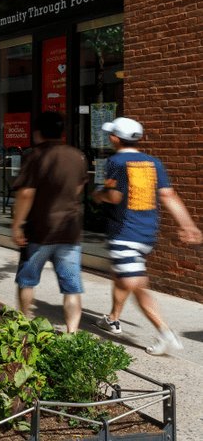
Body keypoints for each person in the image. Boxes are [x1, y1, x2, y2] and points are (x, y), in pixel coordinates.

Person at [92, 117, 202, 355]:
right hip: (146, 234)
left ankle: (165, 333)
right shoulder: (153, 162)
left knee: (137, 285)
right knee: (121, 276)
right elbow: (168, 196)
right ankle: (113, 318)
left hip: (124, 234)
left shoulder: (116, 162)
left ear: (114, 138)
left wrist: (98, 194)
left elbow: (114, 197)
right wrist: (188, 225)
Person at [12, 111, 88, 332]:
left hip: (39, 230)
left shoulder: (35, 156)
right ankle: (72, 333)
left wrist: (17, 224)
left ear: (37, 132)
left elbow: (26, 193)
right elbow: (78, 188)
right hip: (70, 231)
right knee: (72, 287)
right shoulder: (78, 156)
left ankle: (24, 323)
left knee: (27, 280)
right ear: (62, 132)